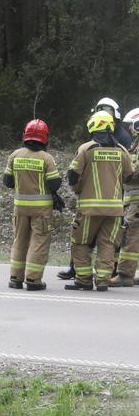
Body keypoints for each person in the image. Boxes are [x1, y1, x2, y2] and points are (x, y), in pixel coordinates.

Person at [57, 96, 134, 280]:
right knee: (108, 244)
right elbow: (129, 174)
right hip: (115, 208)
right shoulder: (122, 149)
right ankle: (103, 280)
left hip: (89, 207)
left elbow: (73, 175)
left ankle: (83, 279)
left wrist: (78, 189)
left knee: (81, 241)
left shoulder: (87, 148)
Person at [3, 119, 62, 291]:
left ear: (25, 136)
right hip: (41, 211)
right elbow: (54, 184)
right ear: (45, 139)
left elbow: (7, 181)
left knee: (19, 241)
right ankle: (33, 279)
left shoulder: (15, 155)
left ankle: (15, 278)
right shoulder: (46, 158)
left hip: (20, 209)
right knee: (39, 242)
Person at [110, 108, 139, 287]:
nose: (129, 129)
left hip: (136, 201)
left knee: (131, 235)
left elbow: (135, 172)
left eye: (131, 125)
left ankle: (125, 275)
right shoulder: (135, 144)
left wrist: (123, 171)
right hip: (133, 200)